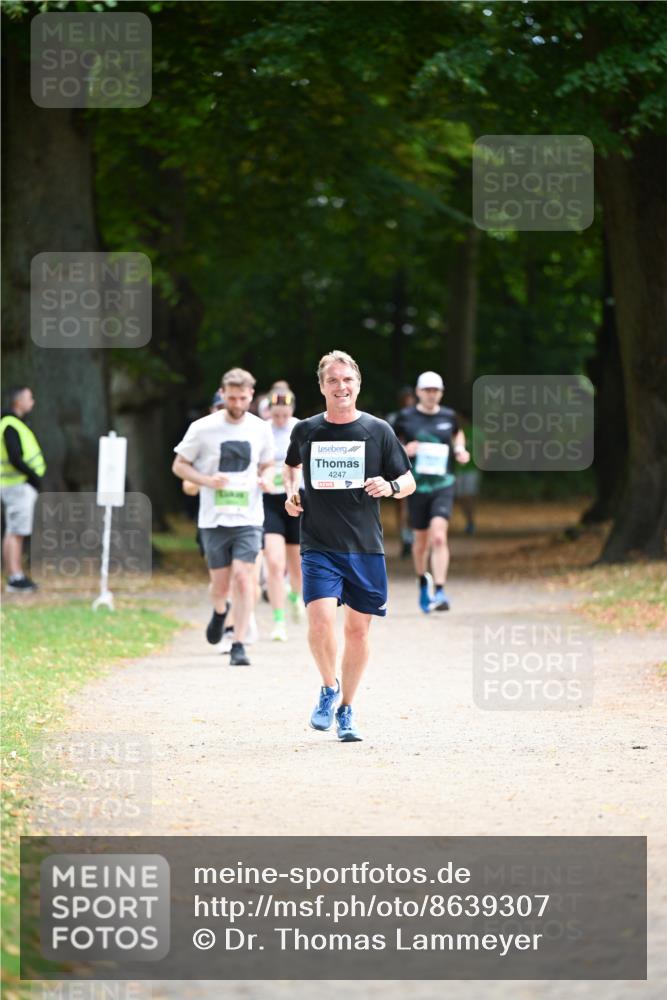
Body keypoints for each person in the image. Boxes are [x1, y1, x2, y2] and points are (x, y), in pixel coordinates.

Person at [284, 350, 415, 742]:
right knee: (320, 620)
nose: (341, 387)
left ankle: (347, 709)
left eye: (347, 380)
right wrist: (293, 491)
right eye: (333, 381)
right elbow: (292, 465)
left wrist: (390, 487)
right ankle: (328, 688)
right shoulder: (306, 430)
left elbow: (408, 481)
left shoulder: (378, 431)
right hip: (318, 543)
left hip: (364, 546)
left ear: (357, 384)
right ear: (322, 386)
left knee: (357, 631)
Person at [172, 368, 274, 666]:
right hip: (214, 518)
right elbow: (180, 465)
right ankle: (219, 612)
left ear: (251, 396)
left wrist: (266, 479)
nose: (237, 403)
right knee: (220, 586)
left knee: (244, 579)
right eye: (232, 397)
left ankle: (238, 643)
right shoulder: (203, 428)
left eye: (243, 398)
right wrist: (205, 480)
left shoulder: (260, 428)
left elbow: (267, 463)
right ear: (223, 393)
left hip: (249, 516)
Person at [394, 371, 470, 614]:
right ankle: (422, 581)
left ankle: (440, 590)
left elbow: (458, 434)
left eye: (435, 390)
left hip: (443, 483)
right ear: (418, 392)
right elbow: (391, 445)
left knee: (439, 536)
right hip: (416, 485)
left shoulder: (448, 416)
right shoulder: (405, 417)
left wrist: (459, 449)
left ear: (441, 392)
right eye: (426, 390)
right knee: (421, 541)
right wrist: (406, 450)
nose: (431, 394)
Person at [263, 389, 305, 641]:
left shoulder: (300, 428)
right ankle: (278, 620)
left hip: (296, 499)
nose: (280, 419)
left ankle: (295, 596)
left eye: (284, 414)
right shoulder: (262, 429)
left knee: (297, 564)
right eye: (276, 414)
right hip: (270, 501)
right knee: (275, 563)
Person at [1, 386, 46, 592]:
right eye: (30, 397)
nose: (33, 401)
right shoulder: (10, 425)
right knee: (16, 532)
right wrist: (33, 477)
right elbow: (15, 457)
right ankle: (15, 576)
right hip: (18, 486)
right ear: (18, 402)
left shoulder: (12, 424)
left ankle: (15, 575)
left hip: (15, 485)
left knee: (13, 531)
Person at [386, 386, 417, 558]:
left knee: (416, 504)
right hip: (398, 465)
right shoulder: (393, 419)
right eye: (404, 399)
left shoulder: (420, 418)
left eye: (410, 398)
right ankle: (405, 538)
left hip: (419, 466)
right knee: (402, 503)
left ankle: (414, 538)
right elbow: (389, 442)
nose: (407, 402)